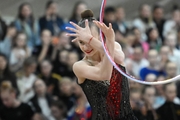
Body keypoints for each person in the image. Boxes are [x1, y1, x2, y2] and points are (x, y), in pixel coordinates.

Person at [66, 9, 137, 119]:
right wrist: (97, 40)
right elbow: (104, 74)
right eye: (81, 42)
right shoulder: (79, 66)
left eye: (90, 40)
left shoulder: (115, 46)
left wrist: (108, 40)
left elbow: (118, 57)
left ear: (100, 36)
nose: (86, 47)